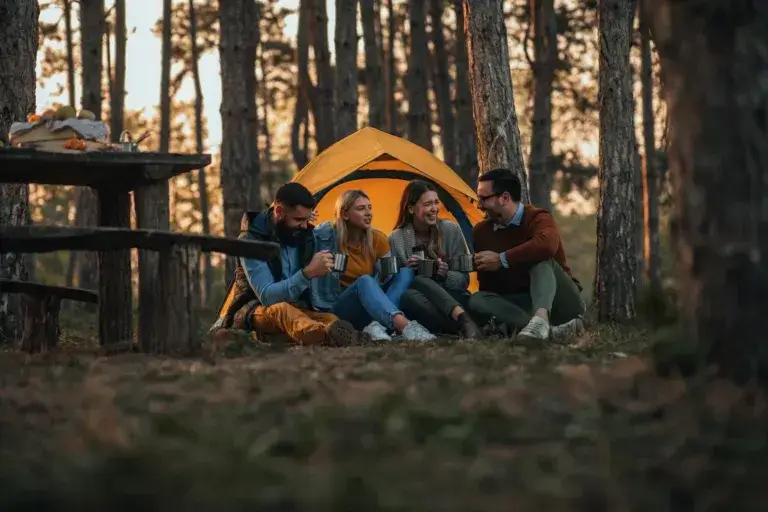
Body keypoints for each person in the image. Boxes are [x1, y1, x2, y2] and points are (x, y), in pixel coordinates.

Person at [209, 182, 369, 346]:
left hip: (298, 309)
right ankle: (331, 337)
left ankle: (290, 336)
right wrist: (307, 273)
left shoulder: (302, 234)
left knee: (330, 319)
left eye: (307, 219)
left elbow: (328, 232)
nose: (304, 225)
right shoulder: (251, 242)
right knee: (283, 311)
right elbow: (267, 297)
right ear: (279, 212)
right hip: (255, 310)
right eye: (299, 219)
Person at [467, 168, 586, 342]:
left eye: (484, 199)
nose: (479, 205)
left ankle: (541, 320)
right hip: (521, 304)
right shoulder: (481, 232)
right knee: (477, 299)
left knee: (541, 261)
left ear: (504, 198)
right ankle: (547, 331)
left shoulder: (538, 217)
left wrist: (502, 259)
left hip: (559, 301)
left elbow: (547, 246)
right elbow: (489, 287)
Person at [311, 189, 437, 342]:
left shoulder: (378, 239)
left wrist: (387, 274)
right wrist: (307, 219)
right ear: (345, 214)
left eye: (369, 208)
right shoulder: (327, 237)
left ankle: (377, 327)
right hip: (341, 306)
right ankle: (406, 327)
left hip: (372, 305)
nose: (368, 213)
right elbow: (308, 236)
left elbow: (386, 279)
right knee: (364, 281)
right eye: (361, 208)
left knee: (405, 273)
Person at [388, 180, 483, 339]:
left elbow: (464, 280)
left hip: (453, 296)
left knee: (421, 280)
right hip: (421, 303)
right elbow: (393, 284)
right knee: (411, 292)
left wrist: (444, 274)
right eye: (427, 204)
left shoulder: (451, 230)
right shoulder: (396, 238)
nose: (434, 209)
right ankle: (460, 324)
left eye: (436, 203)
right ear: (411, 208)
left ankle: (460, 322)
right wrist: (408, 271)